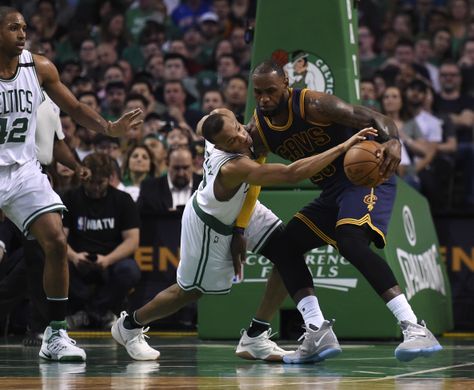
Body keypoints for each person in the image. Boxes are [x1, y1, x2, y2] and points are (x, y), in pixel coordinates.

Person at [111, 109, 375, 361]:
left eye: (238, 128)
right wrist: (343, 147)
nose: (240, 136)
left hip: (243, 206)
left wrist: (241, 226)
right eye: (231, 140)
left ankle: (256, 335)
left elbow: (203, 123)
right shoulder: (231, 167)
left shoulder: (220, 120)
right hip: (210, 224)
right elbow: (291, 173)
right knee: (188, 292)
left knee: (288, 252)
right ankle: (129, 326)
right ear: (221, 146)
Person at [237, 60, 442, 363]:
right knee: (284, 246)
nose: (265, 98)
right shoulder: (260, 130)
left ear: (286, 86)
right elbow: (252, 180)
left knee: (350, 240)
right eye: (259, 93)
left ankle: (414, 328)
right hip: (333, 190)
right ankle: (317, 329)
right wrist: (239, 227)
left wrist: (394, 141)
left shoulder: (314, 104)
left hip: (369, 176)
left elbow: (374, 117)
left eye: (271, 91)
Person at [0, 7, 142, 362]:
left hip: (23, 168)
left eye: (24, 28)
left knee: (56, 241)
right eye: (13, 27)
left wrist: (109, 128)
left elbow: (75, 107)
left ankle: (56, 334)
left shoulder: (40, 67)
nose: (22, 34)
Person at [63, 153, 141, 329]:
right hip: (78, 259)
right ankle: (90, 312)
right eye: (90, 183)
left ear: (110, 178)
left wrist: (107, 260)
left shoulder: (123, 200)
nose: (95, 188)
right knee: (55, 262)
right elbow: (60, 239)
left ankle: (93, 310)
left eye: (100, 183)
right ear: (83, 178)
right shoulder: (70, 198)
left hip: (111, 259)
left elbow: (132, 241)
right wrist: (74, 257)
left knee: (130, 270)